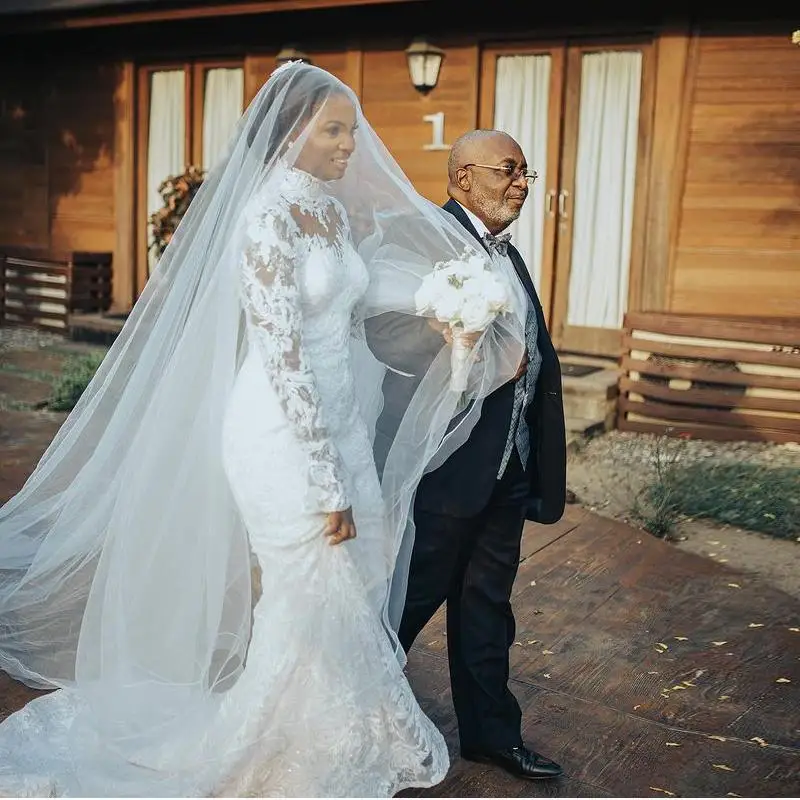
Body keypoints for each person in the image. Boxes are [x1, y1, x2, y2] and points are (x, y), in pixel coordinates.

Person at [0, 67, 527, 796]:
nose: (352, 144)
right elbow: (282, 358)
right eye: (335, 130)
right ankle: (268, 750)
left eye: (351, 128)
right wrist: (324, 481)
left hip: (342, 422)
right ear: (290, 133)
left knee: (359, 578)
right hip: (282, 435)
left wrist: (445, 300)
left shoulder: (329, 213)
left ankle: (329, 731)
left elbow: (358, 292)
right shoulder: (264, 220)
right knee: (308, 591)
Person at [367, 130, 567, 782]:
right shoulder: (422, 239)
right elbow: (382, 330)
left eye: (525, 172)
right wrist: (448, 337)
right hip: (444, 467)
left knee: (488, 608)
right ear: (462, 179)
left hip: (507, 465)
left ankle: (490, 737)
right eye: (509, 170)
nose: (521, 183)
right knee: (405, 604)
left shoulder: (505, 252)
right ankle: (353, 722)